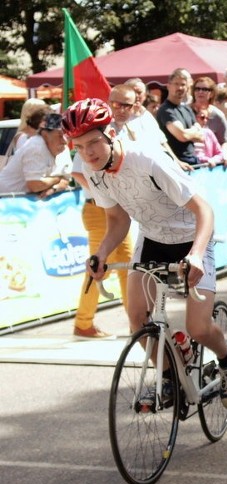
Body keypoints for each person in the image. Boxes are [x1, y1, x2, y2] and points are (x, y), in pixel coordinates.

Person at [63, 98, 227, 408]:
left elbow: (204, 210)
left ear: (111, 134)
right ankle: (171, 377)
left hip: (191, 236)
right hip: (153, 239)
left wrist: (197, 254)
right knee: (137, 318)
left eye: (93, 142)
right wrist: (103, 252)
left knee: (198, 328)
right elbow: (118, 219)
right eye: (79, 146)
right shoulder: (93, 170)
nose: (88, 152)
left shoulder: (148, 160)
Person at [70, 85, 135, 339]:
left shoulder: (125, 131)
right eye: (116, 104)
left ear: (134, 106)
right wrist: (104, 193)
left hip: (115, 210)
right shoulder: (92, 133)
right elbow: (77, 171)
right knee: (100, 265)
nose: (121, 109)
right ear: (109, 103)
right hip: (99, 211)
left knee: (128, 267)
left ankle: (137, 321)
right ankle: (83, 322)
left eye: (127, 105)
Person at [0, 112, 70, 196]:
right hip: (7, 201)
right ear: (45, 134)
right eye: (60, 135)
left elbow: (66, 180)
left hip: (22, 201)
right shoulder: (36, 146)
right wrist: (58, 179)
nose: (65, 141)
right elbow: (35, 185)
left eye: (67, 136)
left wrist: (54, 188)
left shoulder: (61, 149)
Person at [156, 68, 204, 166]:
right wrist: (194, 130)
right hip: (175, 163)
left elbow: (201, 136)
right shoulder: (166, 110)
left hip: (193, 160)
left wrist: (188, 133)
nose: (180, 88)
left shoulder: (187, 109)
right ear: (168, 86)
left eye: (183, 84)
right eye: (176, 84)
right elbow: (182, 136)